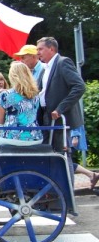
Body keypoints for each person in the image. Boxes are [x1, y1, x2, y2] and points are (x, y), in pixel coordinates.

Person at [36, 37, 86, 176]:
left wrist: (60, 108)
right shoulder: (44, 69)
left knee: (62, 155)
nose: (38, 53)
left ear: (51, 49)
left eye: (40, 49)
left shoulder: (63, 63)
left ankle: (67, 193)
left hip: (59, 117)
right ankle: (54, 189)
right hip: (46, 117)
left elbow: (79, 86)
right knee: (50, 154)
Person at [0, 62, 43, 146]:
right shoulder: (36, 95)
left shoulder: (5, 95)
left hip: (12, 138)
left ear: (12, 76)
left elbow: (0, 122)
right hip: (35, 137)